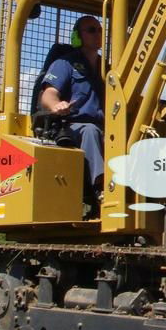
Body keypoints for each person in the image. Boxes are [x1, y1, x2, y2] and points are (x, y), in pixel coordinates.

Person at [38, 15, 106, 213]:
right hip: (72, 127)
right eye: (91, 30)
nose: (97, 34)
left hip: (108, 127)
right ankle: (101, 190)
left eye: (100, 30)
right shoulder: (65, 64)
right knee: (91, 132)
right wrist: (56, 105)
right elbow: (48, 94)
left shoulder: (107, 67)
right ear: (78, 36)